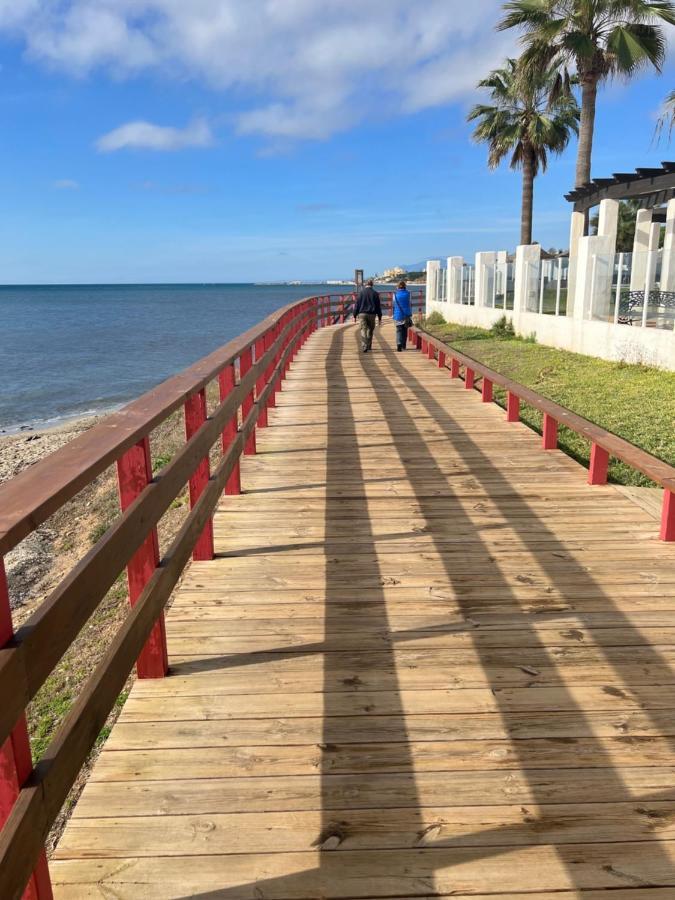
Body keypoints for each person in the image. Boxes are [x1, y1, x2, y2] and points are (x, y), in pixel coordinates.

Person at [352, 278, 382, 353]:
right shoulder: (375, 293)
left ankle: (364, 345)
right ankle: (368, 345)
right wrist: (379, 317)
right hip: (372, 314)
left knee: (363, 329)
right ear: (372, 285)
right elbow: (378, 306)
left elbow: (357, 305)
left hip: (362, 314)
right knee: (370, 330)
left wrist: (354, 315)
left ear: (365, 284)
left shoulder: (361, 293)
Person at [392, 279, 412, 351]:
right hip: (406, 314)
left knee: (399, 330)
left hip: (397, 315)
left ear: (398, 287)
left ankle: (399, 344)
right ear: (405, 286)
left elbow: (393, 305)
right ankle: (404, 345)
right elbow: (410, 303)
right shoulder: (408, 294)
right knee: (405, 330)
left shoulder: (395, 295)